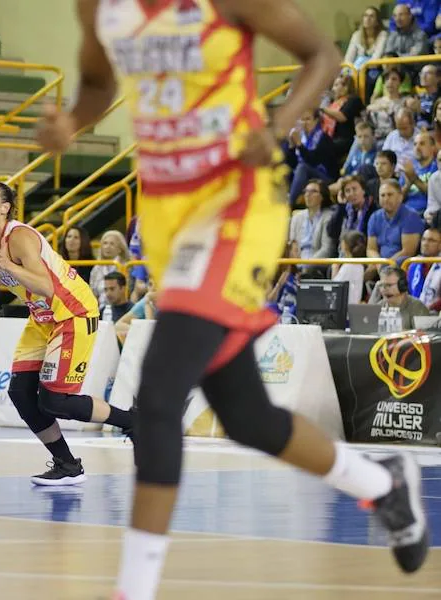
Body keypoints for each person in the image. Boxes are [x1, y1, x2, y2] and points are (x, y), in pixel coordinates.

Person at [35, 1, 430, 598]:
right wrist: (71, 123)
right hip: (169, 217)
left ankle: (133, 590)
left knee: (160, 393)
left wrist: (274, 130)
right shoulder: (99, 5)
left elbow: (321, 55)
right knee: (247, 417)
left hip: (237, 206)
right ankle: (379, 481)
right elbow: (97, 81)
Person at [0, 181, 134, 485]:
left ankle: (133, 421)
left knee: (56, 401)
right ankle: (67, 464)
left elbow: (46, 286)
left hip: (73, 311)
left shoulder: (21, 237)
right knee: (20, 393)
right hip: (42, 318)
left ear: (5, 207)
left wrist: (10, 268)